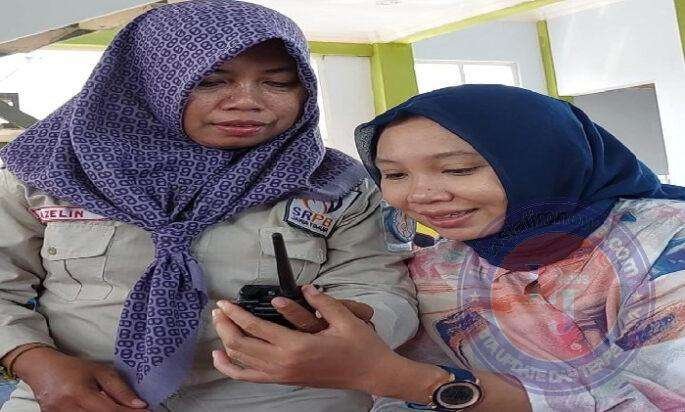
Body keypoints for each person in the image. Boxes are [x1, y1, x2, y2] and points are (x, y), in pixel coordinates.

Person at [0, 1, 419, 411]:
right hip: (77, 391)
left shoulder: (337, 185)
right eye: (210, 81)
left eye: (278, 83)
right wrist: (34, 361)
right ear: (147, 83)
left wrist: (350, 324)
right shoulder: (49, 173)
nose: (247, 101)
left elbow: (380, 286)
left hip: (286, 392)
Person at [212, 85, 685, 411]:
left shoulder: (664, 244)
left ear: (544, 160)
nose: (420, 196)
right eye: (394, 175)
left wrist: (398, 378)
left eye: (458, 169)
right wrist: (354, 330)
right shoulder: (441, 266)